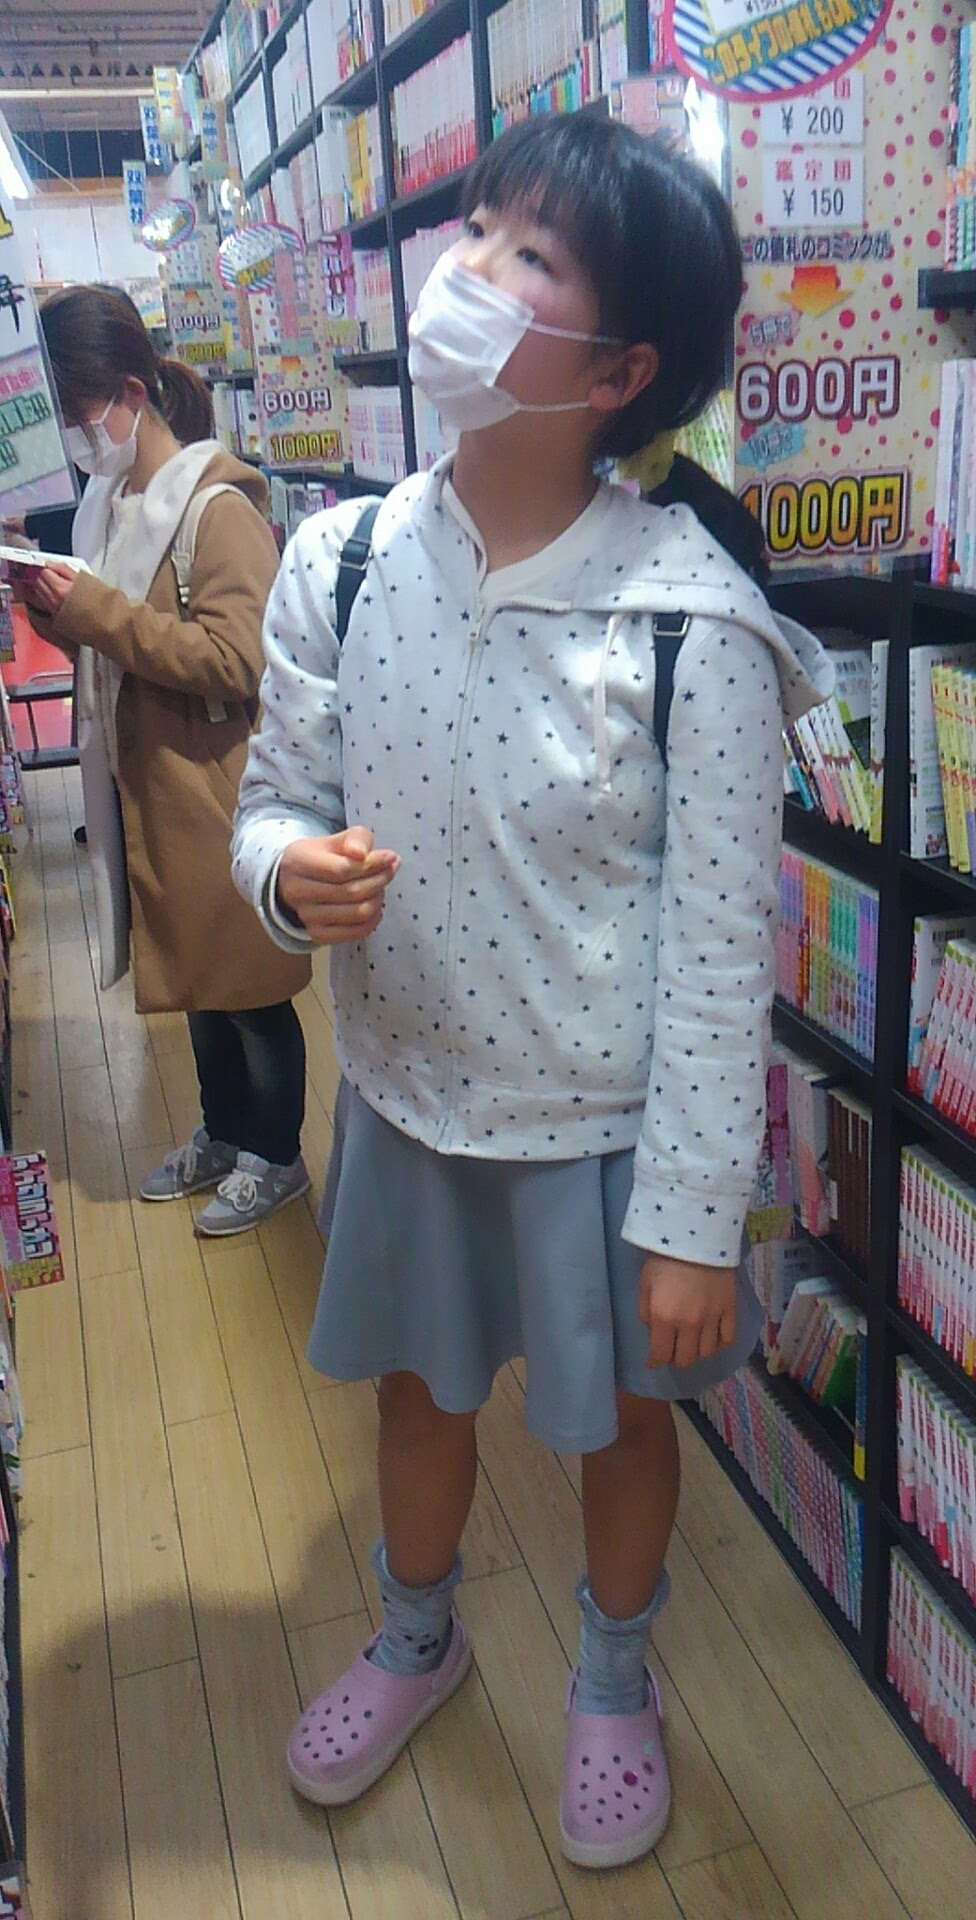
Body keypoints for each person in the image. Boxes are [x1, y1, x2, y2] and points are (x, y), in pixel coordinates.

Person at [232, 113, 832, 1866]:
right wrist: (286, 872)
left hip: (605, 1132)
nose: (469, 268)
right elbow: (272, 799)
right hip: (409, 1097)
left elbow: (722, 952)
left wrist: (696, 1223)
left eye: (531, 254)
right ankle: (418, 1638)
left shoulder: (693, 622)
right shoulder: (343, 560)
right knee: (416, 1397)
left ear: (620, 370)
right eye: (477, 225)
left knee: (620, 1426)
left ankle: (614, 1676)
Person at [18, 286, 312, 1236]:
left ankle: (277, 1156)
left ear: (131, 394)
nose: (78, 439)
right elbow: (116, 649)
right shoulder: (109, 505)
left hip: (216, 790)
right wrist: (52, 610)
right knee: (194, 982)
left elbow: (238, 658)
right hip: (151, 785)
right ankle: (224, 1135)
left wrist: (95, 613)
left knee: (250, 992)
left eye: (78, 414)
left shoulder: (215, 508)